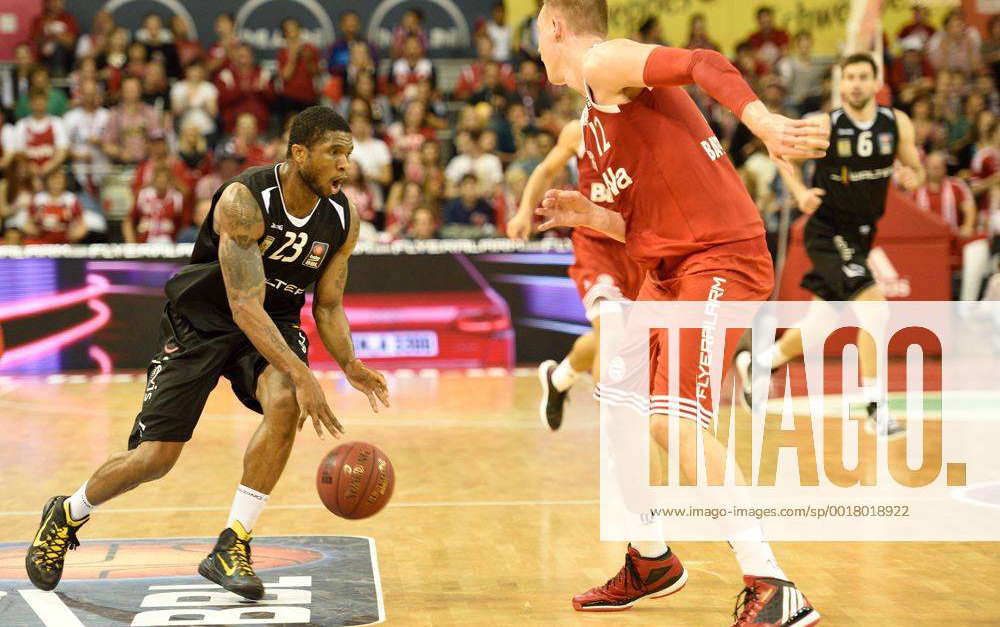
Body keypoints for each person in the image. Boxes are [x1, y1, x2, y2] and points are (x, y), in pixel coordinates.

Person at [530, 1, 828, 622]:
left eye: (536, 26)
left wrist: (764, 122)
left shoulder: (603, 62)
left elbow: (701, 61)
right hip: (666, 269)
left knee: (676, 423)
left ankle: (774, 586)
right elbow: (638, 218)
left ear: (554, 26)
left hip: (716, 258)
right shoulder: (593, 117)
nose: (534, 42)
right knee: (620, 407)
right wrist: (589, 217)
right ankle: (651, 559)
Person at [25, 106, 390, 599]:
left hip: (274, 320)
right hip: (203, 320)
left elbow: (328, 305)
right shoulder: (245, 200)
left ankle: (233, 541)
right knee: (155, 459)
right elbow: (243, 305)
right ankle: (68, 513)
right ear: (299, 153)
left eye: (348, 154)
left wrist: (349, 364)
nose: (345, 164)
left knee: (283, 400)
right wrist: (304, 372)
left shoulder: (343, 218)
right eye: (334, 153)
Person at [742, 53, 925, 439]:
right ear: (841, 86)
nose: (856, 84)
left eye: (863, 77)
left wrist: (912, 176)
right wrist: (800, 193)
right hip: (827, 231)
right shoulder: (827, 126)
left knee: (819, 325)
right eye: (850, 78)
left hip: (861, 234)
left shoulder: (896, 123)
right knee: (875, 310)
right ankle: (876, 409)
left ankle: (760, 364)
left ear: (876, 83)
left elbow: (915, 170)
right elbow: (782, 155)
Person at [508, 118, 645, 429]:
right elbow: (544, 171)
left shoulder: (646, 126)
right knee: (611, 330)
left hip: (635, 244)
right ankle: (615, 433)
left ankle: (559, 378)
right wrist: (523, 211)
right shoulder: (579, 130)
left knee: (618, 337)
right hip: (596, 247)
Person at [21, 168, 86, 244]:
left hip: (65, 241)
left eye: (59, 180)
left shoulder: (71, 199)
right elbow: (27, 224)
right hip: (41, 240)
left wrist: (72, 236)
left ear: (64, 182)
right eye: (53, 179)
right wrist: (36, 232)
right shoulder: (38, 199)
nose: (56, 183)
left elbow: (82, 225)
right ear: (47, 181)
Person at [124, 164, 185, 243]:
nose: (161, 182)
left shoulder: (177, 198)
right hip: (144, 242)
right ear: (153, 180)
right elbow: (128, 221)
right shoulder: (143, 195)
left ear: (170, 181)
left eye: (165, 179)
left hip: (168, 244)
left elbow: (183, 225)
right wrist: (131, 244)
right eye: (159, 179)